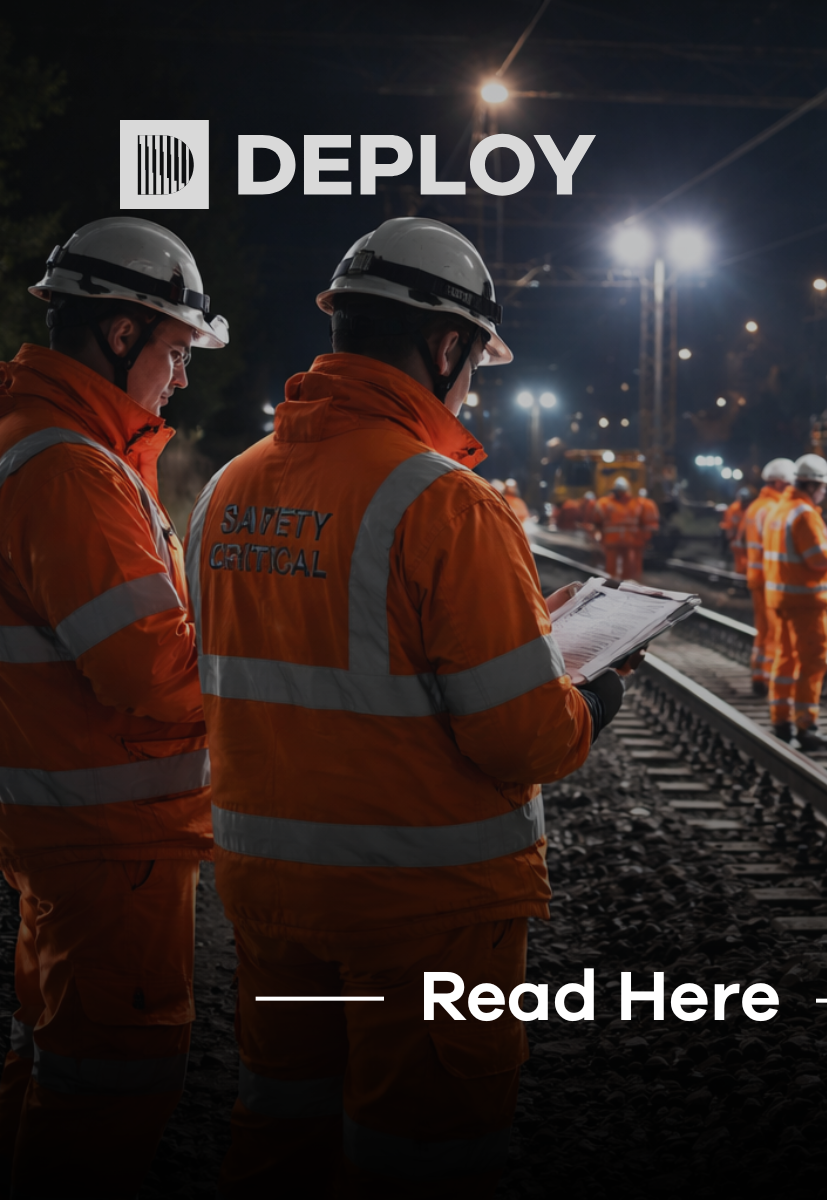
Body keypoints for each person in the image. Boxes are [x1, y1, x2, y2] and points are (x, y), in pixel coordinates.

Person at [189, 216, 628, 1198]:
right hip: (421, 908)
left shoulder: (228, 491)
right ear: (445, 346)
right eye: (474, 362)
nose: (472, 384)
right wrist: (593, 699)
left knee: (280, 1129)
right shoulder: (448, 501)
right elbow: (520, 734)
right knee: (420, 1155)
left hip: (270, 895)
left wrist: (514, 628)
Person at [0, 216, 228, 1196]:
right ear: (123, 334)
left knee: (59, 1063)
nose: (181, 378)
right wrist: (264, 659)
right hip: (109, 838)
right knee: (112, 1090)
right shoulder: (69, 469)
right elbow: (149, 671)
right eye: (175, 350)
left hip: (73, 828)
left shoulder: (43, 444)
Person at [762, 454, 827, 751]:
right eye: (823, 486)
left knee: (785, 659)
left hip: (781, 599)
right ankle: (806, 725)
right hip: (806, 602)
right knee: (811, 663)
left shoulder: (779, 510)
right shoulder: (805, 514)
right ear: (811, 485)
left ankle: (781, 721)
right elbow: (819, 560)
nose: (825, 491)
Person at [736, 459, 794, 697]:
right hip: (771, 579)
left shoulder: (754, 507)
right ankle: (771, 681)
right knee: (774, 632)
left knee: (762, 630)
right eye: (790, 484)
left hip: (756, 577)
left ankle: (759, 675)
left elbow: (739, 541)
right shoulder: (773, 509)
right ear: (780, 483)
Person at [594, 477, 658, 580]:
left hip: (625, 541)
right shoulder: (631, 503)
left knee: (626, 567)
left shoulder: (633, 504)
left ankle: (623, 585)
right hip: (618, 541)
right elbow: (598, 521)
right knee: (614, 567)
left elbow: (598, 521)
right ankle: (613, 584)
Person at [722, 487, 753, 573]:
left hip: (748, 538)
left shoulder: (751, 508)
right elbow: (729, 526)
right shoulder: (734, 509)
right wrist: (731, 540)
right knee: (738, 560)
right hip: (736, 539)